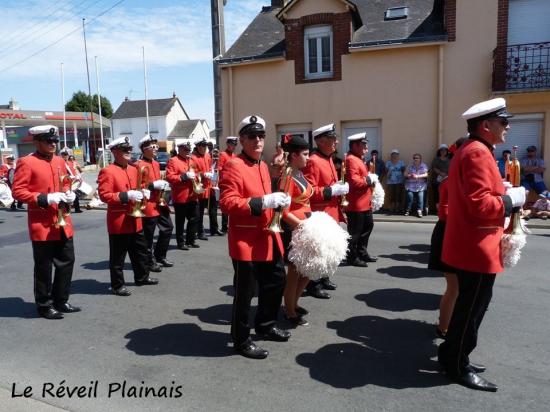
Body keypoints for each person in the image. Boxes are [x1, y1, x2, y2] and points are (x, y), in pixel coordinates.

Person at [439, 97, 526, 392]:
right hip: (476, 247)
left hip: (474, 244)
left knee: (470, 307)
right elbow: (479, 205)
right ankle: (457, 364)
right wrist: (509, 200)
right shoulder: (477, 152)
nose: (508, 127)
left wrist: (505, 192)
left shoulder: (477, 149)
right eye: (504, 122)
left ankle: (453, 354)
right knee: (471, 310)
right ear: (486, 125)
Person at [219, 115, 291, 359]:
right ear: (241, 139)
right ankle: (241, 340)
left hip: (267, 236)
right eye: (252, 136)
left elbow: (264, 195)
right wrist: (263, 202)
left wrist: (278, 201)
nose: (258, 140)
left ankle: (266, 324)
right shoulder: (233, 165)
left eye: (261, 136)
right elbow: (227, 203)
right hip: (246, 241)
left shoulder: (261, 164)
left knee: (276, 281)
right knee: (245, 293)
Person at [11, 125, 80, 319]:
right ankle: (44, 305)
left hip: (62, 221)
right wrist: (43, 198)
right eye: (48, 141)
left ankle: (61, 300)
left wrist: (68, 193)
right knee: (44, 266)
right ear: (37, 141)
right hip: (42, 223)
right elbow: (18, 191)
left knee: (67, 261)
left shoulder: (59, 160)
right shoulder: (26, 162)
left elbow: (66, 181)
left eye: (55, 141)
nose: (53, 145)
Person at [97, 136, 159, 296]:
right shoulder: (107, 171)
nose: (129, 151)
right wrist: (125, 196)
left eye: (130, 149)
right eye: (125, 149)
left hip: (135, 218)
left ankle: (142, 277)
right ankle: (117, 285)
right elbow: (104, 196)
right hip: (120, 221)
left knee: (140, 251)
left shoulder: (133, 168)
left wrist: (143, 192)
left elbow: (141, 186)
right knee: (118, 256)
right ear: (115, 152)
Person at [302, 124, 348, 299]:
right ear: (320, 141)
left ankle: (325, 277)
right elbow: (310, 192)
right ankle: (313, 285)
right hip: (320, 214)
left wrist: (340, 189)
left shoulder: (328, 158)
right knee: (318, 251)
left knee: (329, 249)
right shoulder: (313, 160)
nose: (336, 141)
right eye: (332, 138)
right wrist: (332, 190)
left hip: (331, 212)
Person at [428, 137, 466, 339]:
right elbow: (445, 213)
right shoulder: (451, 181)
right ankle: (444, 328)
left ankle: (448, 326)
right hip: (450, 232)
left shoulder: (460, 178)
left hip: (456, 232)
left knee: (458, 288)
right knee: (454, 287)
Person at [279, 134, 313, 326]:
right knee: (294, 272)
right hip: (295, 230)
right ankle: (289, 310)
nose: (309, 158)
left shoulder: (299, 172)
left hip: (306, 228)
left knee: (307, 270)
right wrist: (302, 226)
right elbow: (283, 212)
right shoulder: (288, 176)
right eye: (305, 154)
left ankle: (294, 302)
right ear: (293, 155)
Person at [136, 135, 174, 272]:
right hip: (148, 205)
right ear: (144, 149)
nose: (156, 149)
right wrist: (152, 185)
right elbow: (138, 186)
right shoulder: (138, 165)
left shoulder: (156, 163)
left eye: (156, 147)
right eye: (153, 147)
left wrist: (162, 185)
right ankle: (149, 261)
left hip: (159, 202)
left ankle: (160, 255)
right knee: (148, 237)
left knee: (168, 228)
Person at [345, 132, 377, 267]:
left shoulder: (358, 158)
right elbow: (355, 182)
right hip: (356, 204)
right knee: (355, 233)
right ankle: (352, 257)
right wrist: (370, 180)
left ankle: (362, 252)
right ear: (355, 145)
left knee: (368, 226)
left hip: (364, 202)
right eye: (364, 145)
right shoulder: (351, 159)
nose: (367, 148)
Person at [166, 141, 200, 250]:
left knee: (194, 218)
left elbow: (196, 173)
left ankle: (190, 240)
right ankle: (180, 242)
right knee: (180, 221)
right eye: (185, 150)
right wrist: (184, 177)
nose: (187, 152)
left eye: (188, 150)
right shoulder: (173, 161)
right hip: (181, 196)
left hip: (192, 195)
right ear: (179, 149)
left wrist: (197, 177)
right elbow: (170, 177)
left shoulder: (191, 160)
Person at [192, 138, 217, 239]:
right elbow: (192, 173)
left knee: (213, 209)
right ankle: (200, 231)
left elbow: (211, 167)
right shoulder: (193, 158)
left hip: (209, 186)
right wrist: (203, 174)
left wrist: (211, 173)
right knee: (200, 212)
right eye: (202, 146)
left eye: (205, 146)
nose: (204, 148)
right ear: (198, 147)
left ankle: (214, 228)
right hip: (200, 188)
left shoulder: (207, 155)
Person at [218, 136, 238, 233]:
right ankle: (224, 226)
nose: (233, 146)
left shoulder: (234, 155)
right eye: (231, 144)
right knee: (226, 205)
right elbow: (220, 168)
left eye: (234, 145)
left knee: (233, 204)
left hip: (233, 183)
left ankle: (231, 225)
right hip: (226, 183)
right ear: (227, 144)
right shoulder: (223, 154)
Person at [431, 144, 450, 210]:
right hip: (436, 181)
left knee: (445, 195)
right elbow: (433, 168)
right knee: (437, 195)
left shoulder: (449, 160)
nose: (443, 152)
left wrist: (446, 174)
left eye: (445, 150)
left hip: (447, 180)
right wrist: (441, 173)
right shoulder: (436, 159)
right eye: (442, 150)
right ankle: (438, 209)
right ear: (439, 151)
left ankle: (445, 209)